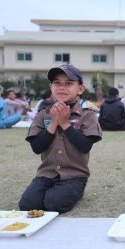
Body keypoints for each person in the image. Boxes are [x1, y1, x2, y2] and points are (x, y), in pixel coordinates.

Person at [19, 64, 102, 213]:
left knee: (53, 204)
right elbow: (37, 148)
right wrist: (53, 123)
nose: (62, 87)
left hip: (74, 176)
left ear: (80, 89)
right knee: (27, 205)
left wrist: (64, 124)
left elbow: (85, 146)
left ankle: (76, 191)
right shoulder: (43, 114)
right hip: (46, 174)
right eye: (57, 83)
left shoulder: (87, 115)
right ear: (51, 87)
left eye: (69, 83)